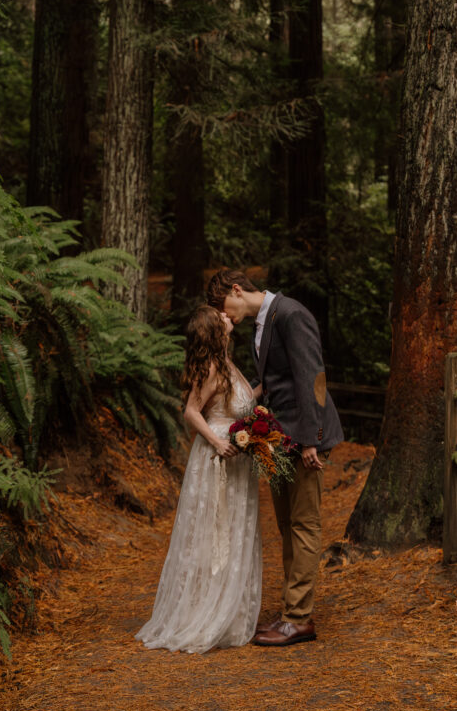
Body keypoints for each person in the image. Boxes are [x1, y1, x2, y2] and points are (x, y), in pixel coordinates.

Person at [207, 268, 344, 648]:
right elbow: (274, 381)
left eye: (223, 306)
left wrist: (312, 439)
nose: (226, 316)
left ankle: (298, 619)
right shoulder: (263, 322)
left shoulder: (290, 314)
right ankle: (292, 610)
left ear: (237, 289)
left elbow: (311, 377)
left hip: (302, 437)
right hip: (278, 437)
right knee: (286, 523)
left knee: (303, 524)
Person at [135, 305, 262, 653]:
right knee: (214, 532)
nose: (226, 316)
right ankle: (202, 611)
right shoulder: (209, 369)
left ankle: (230, 610)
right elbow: (192, 411)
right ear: (212, 330)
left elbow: (243, 401)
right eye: (219, 317)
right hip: (216, 459)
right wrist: (218, 441)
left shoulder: (226, 363)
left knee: (233, 531)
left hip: (237, 460)